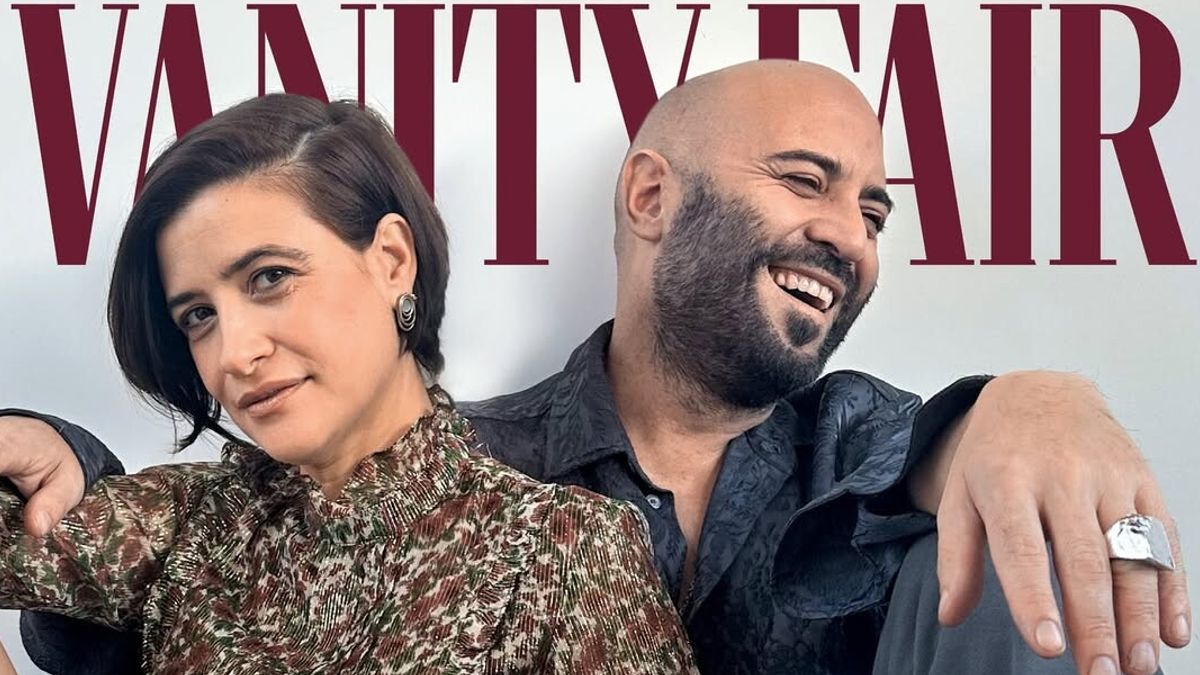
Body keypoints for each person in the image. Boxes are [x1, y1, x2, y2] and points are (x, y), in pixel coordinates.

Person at [4, 61, 1189, 674]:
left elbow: (993, 472)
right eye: (805, 181)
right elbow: (172, 542)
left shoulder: (863, 442)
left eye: (873, 213)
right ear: (651, 196)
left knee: (1021, 525)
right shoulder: (463, 470)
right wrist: (55, 452)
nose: (850, 235)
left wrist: (1044, 401)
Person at [0, 94, 697, 673]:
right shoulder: (190, 520)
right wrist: (40, 436)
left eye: (270, 277)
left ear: (391, 260)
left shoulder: (563, 551)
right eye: (199, 316)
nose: (234, 352)